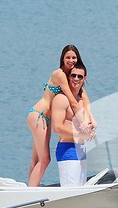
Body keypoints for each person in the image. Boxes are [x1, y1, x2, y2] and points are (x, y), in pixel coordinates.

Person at [27, 45, 96, 186]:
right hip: (39, 116)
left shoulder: (72, 76)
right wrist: (83, 125)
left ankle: (31, 186)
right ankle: (31, 192)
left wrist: (91, 119)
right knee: (44, 159)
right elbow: (72, 100)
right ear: (62, 58)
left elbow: (84, 96)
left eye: (74, 57)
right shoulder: (60, 74)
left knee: (36, 159)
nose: (71, 60)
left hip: (45, 119)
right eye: (68, 57)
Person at [51, 63, 95, 187]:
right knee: (71, 192)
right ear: (68, 77)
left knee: (80, 191)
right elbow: (57, 128)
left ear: (84, 79)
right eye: (73, 75)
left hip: (81, 149)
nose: (76, 79)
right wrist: (81, 134)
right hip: (67, 149)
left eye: (79, 76)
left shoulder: (81, 100)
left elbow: (88, 120)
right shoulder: (61, 99)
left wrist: (90, 128)